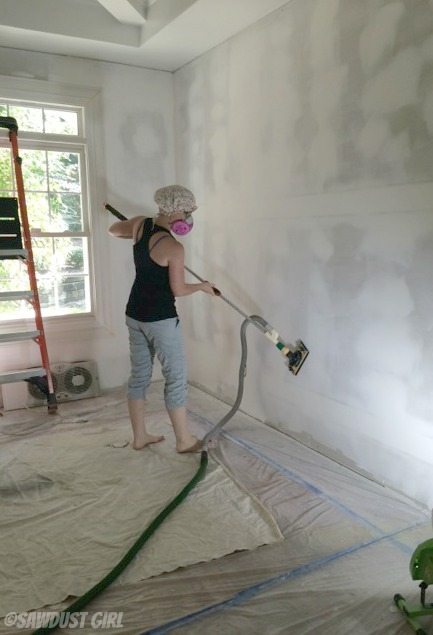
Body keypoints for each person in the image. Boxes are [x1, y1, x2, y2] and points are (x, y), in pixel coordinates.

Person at [109, 185, 216, 453]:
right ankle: (184, 440)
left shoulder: (140, 225)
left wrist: (135, 236)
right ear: (177, 211)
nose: (189, 217)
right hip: (160, 319)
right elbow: (178, 290)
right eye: (188, 211)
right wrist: (202, 287)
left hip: (134, 314)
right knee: (175, 377)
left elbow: (113, 229)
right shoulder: (174, 247)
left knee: (139, 377)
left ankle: (140, 436)